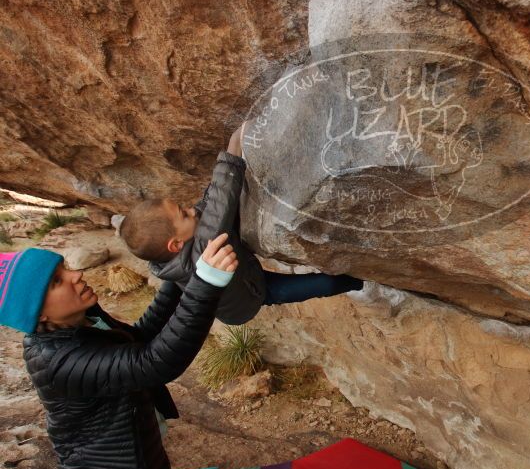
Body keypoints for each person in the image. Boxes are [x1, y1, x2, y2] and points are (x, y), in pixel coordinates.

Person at [2, 233, 238, 469]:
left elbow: (138, 338)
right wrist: (205, 284)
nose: (75, 275)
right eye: (56, 281)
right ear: (38, 313)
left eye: (64, 267)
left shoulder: (82, 320)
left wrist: (177, 277)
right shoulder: (58, 361)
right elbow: (154, 362)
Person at [120, 124, 364, 326]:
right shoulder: (198, 256)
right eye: (183, 215)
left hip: (243, 272)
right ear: (175, 245)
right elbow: (218, 208)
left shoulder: (175, 246)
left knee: (230, 210)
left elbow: (210, 204)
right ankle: (363, 280)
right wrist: (234, 148)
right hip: (253, 296)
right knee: (328, 283)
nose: (191, 210)